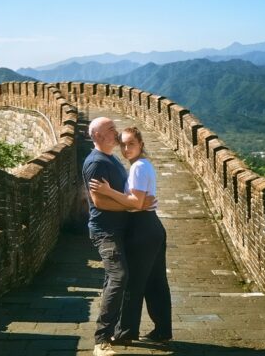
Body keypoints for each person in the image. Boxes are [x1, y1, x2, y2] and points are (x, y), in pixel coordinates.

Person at [90, 126, 172, 344]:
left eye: (131, 144)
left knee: (133, 283)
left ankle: (126, 332)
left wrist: (108, 192)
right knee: (156, 281)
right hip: (153, 228)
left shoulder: (137, 168)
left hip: (142, 229)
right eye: (123, 144)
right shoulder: (144, 165)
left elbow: (135, 203)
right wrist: (137, 204)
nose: (126, 149)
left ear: (141, 145)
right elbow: (139, 202)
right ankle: (163, 330)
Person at [82, 118, 155, 356]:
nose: (115, 132)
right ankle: (101, 341)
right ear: (98, 136)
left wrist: (136, 205)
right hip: (106, 231)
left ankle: (114, 332)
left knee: (114, 279)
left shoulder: (111, 158)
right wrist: (135, 207)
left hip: (119, 229)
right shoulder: (96, 163)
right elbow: (99, 201)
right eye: (111, 129)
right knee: (118, 275)